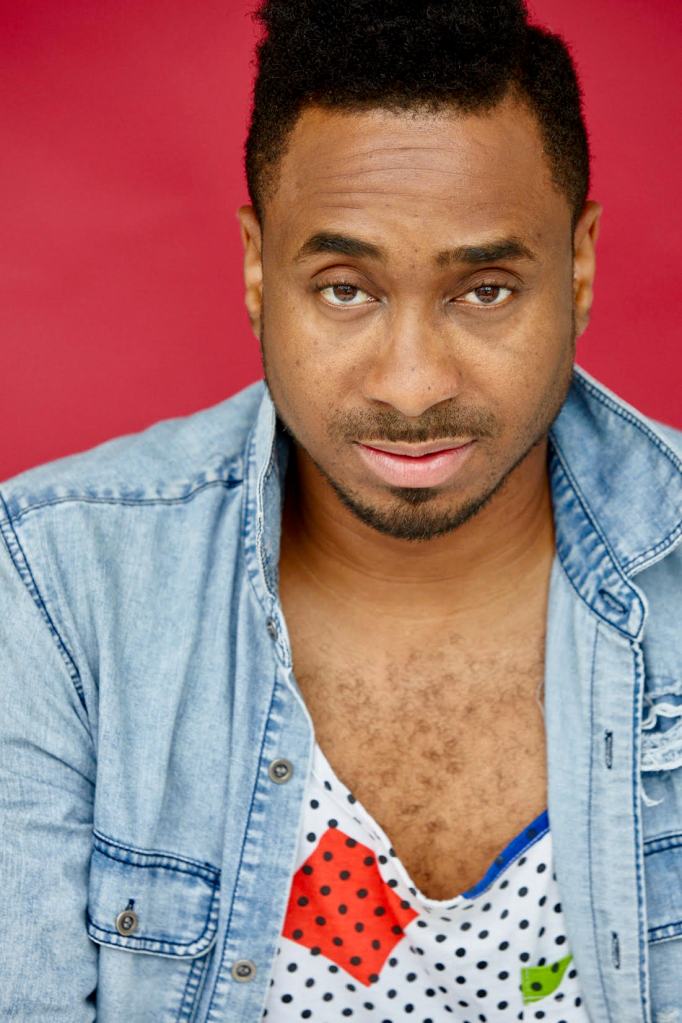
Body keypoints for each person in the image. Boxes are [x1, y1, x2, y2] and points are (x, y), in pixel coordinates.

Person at [1, 0, 680, 1019]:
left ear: (578, 267)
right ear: (256, 267)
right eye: (344, 289)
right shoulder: (54, 584)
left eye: (486, 290)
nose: (411, 386)